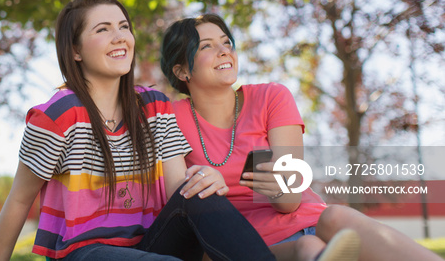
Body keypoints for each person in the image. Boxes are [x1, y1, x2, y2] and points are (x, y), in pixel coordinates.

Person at [0, 0, 276, 261]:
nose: (119, 38)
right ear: (75, 50)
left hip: (149, 244)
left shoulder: (155, 107)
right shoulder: (57, 115)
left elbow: (180, 192)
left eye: (124, 27)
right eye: (102, 30)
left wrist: (205, 179)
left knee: (198, 192)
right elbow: (19, 200)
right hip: (85, 252)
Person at [159, 13, 442, 261]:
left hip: (309, 220)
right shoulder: (169, 116)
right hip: (246, 244)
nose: (224, 51)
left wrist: (278, 186)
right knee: (307, 247)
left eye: (226, 42)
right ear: (182, 70)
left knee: (337, 216)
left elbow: (290, 201)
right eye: (207, 46)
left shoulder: (271, 97)